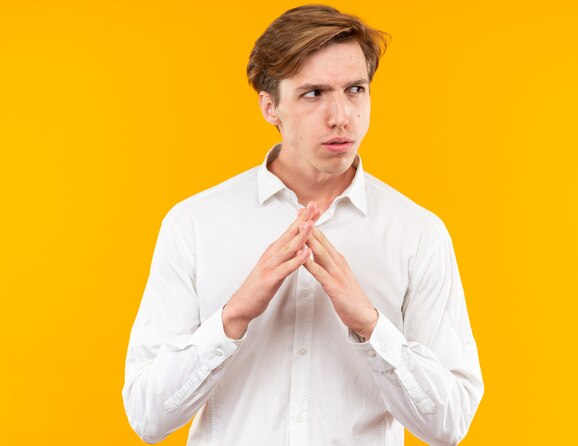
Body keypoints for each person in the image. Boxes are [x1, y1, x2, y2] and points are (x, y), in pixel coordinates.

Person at [122, 4, 484, 446]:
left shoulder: (417, 234)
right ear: (270, 106)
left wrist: (371, 326)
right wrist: (234, 316)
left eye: (355, 89)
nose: (341, 116)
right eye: (314, 93)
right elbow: (147, 416)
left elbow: (449, 426)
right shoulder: (194, 225)